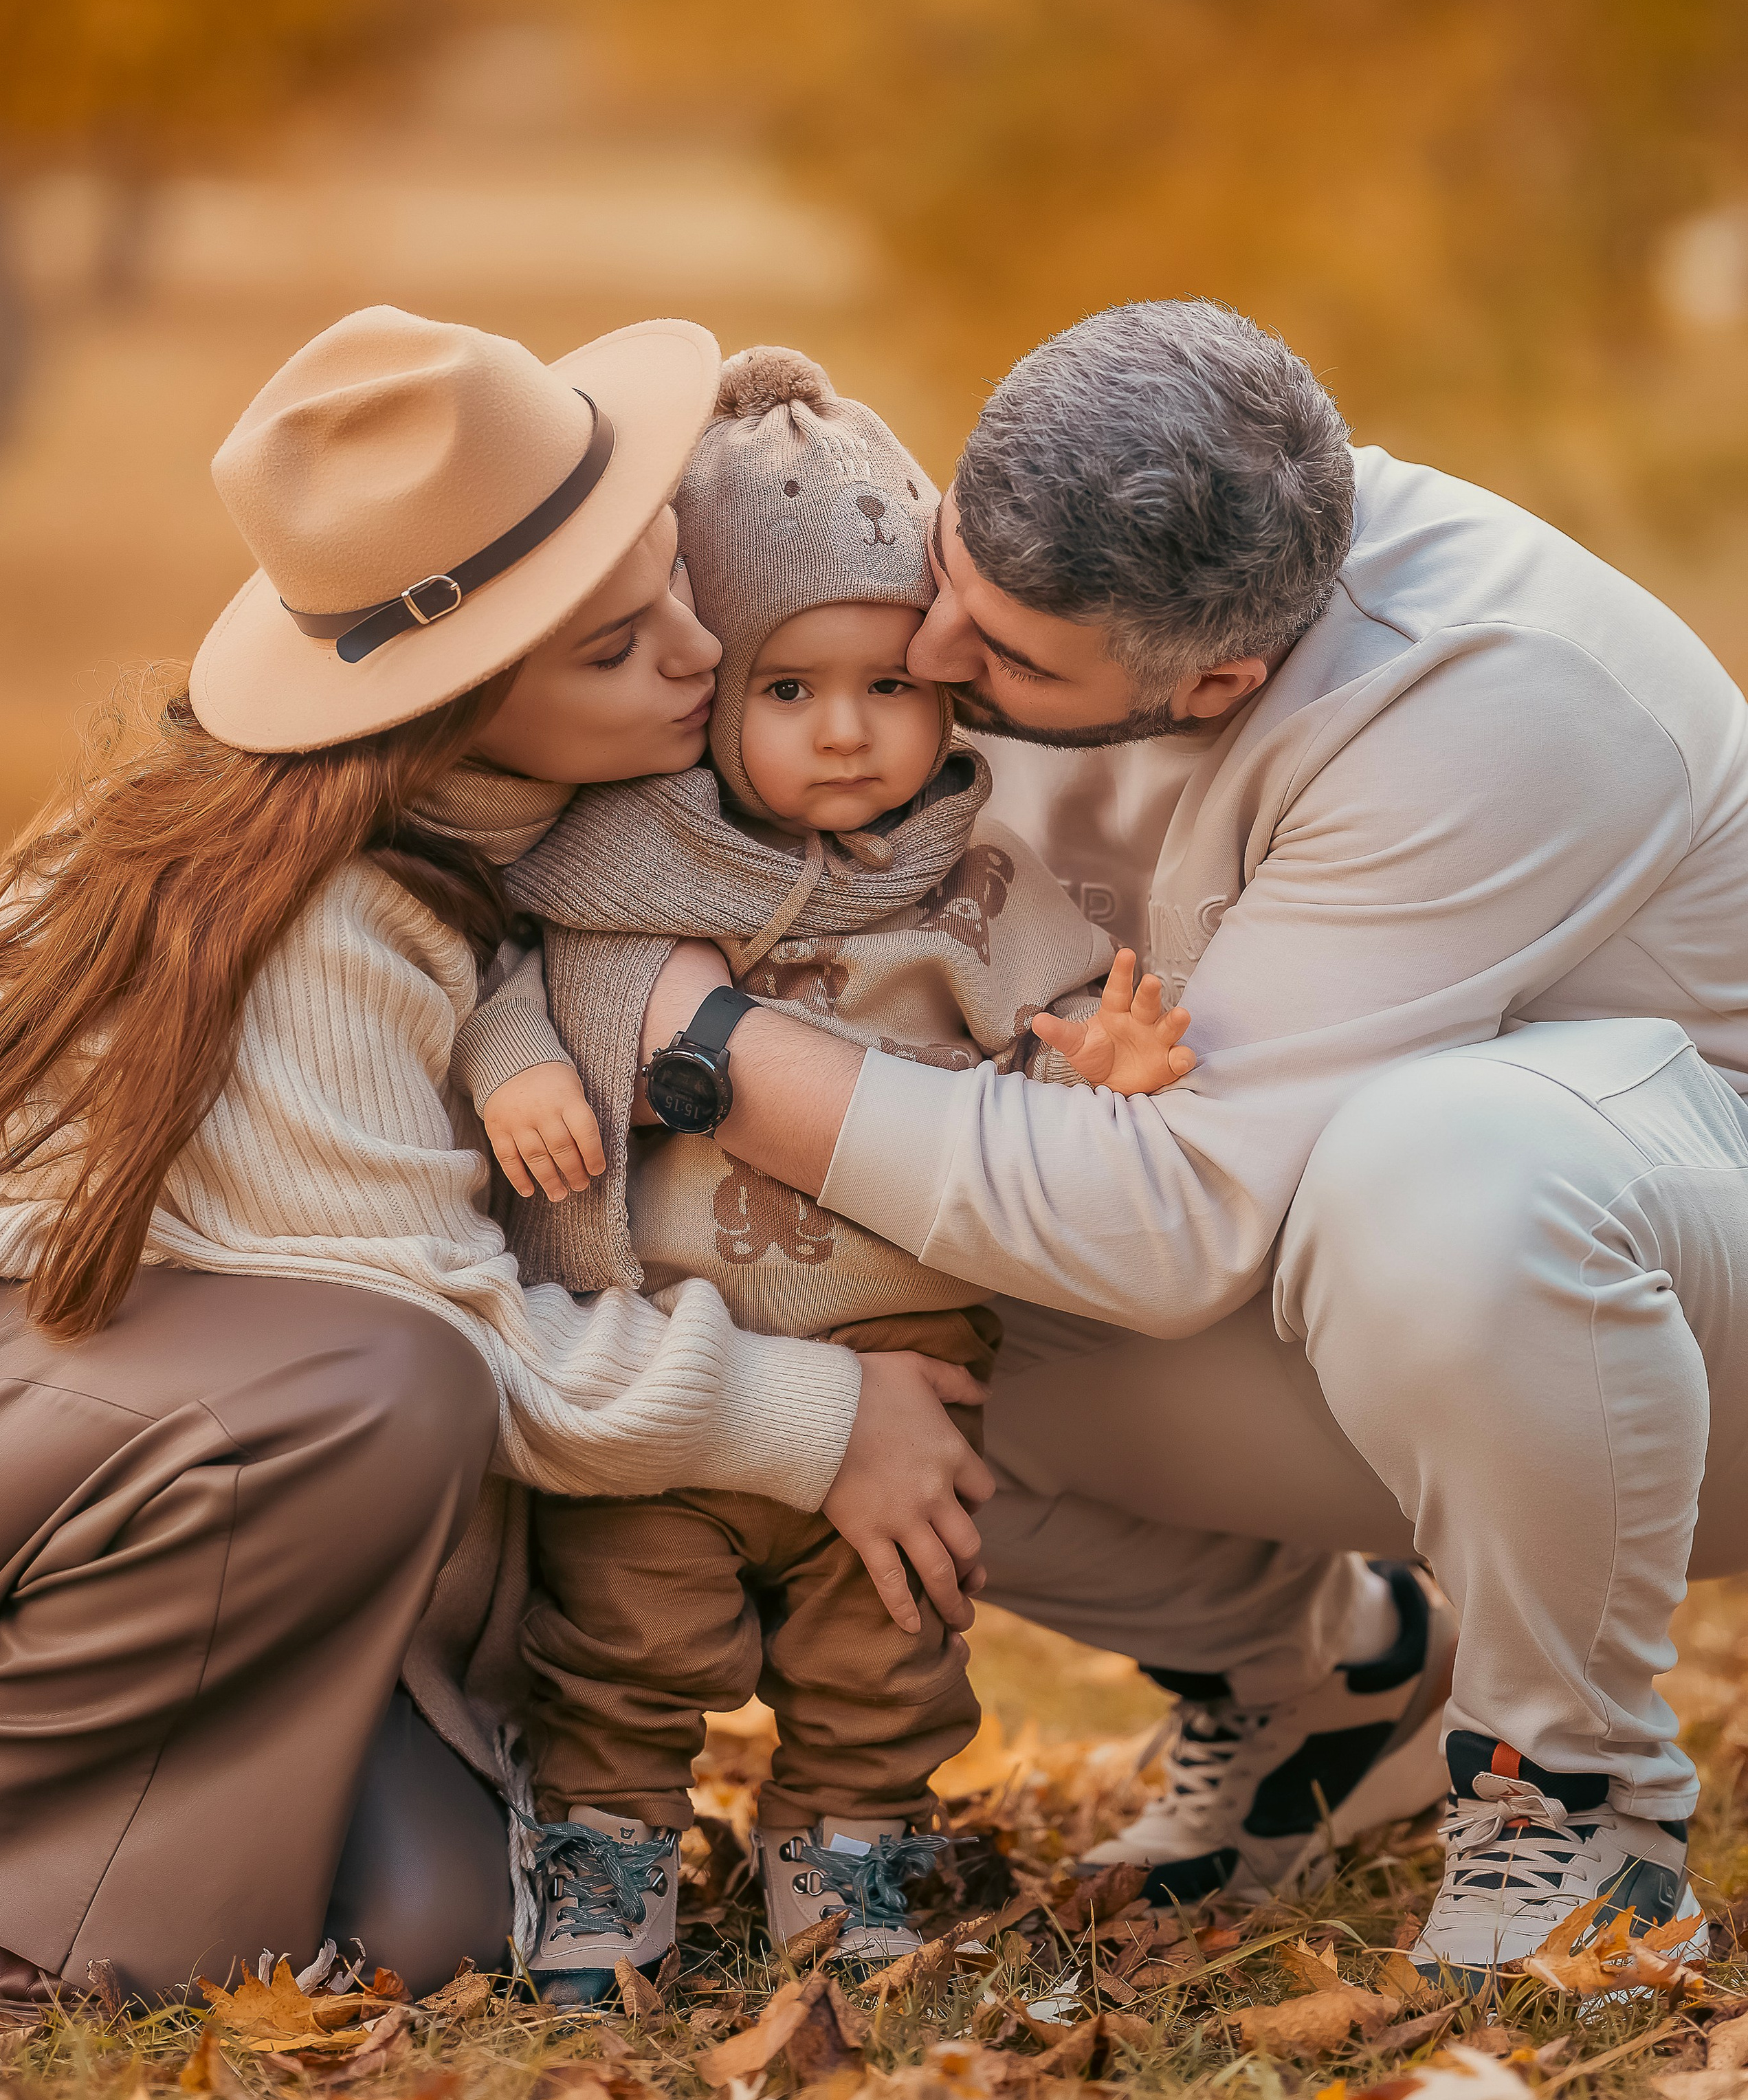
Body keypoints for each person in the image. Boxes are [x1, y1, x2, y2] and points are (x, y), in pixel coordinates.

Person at [634, 298, 1748, 1985]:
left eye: (1004, 662)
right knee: (776, 1292)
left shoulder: (1492, 697)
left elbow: (1159, 1230)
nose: (933, 658)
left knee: (1442, 1159)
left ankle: (1573, 1801)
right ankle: (1323, 1679)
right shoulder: (1028, 597)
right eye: (949, 570)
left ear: (1216, 680)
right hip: (1350, 1293)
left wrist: (703, 1046)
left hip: (1669, 1315)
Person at [0, 304, 993, 2011]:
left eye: (671, 585)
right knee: (385, 1379)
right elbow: (451, 1337)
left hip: (197, 1491)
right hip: (88, 1437)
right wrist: (829, 1420)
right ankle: (37, 1933)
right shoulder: (321, 925)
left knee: (438, 1932)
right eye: (611, 651)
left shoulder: (501, 836)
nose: (695, 656)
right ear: (449, 715)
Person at [452, 344, 1195, 1998]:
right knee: (622, 1637)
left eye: (889, 686)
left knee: (891, 1639)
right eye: (787, 693)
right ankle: (600, 1850)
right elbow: (514, 987)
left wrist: (1105, 1057)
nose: (849, 735)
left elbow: (1055, 1023)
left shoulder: (973, 880)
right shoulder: (624, 864)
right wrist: (516, 1078)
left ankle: (849, 1848)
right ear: (711, 697)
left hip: (900, 1360)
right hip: (664, 1351)